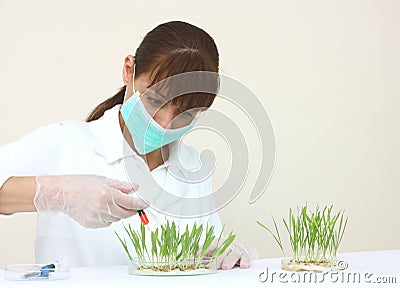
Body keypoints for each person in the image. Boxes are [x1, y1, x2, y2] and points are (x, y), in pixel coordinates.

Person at [0, 21, 251, 269]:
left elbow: (203, 258)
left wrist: (221, 257)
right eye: (154, 100)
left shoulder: (194, 167)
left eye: (184, 114)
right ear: (129, 70)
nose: (164, 123)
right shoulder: (66, 142)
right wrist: (58, 193)